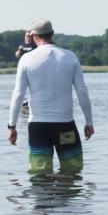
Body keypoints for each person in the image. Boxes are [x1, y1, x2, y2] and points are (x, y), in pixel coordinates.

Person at [7, 19, 94, 174]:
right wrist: (89, 122)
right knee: (72, 172)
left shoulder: (26, 59)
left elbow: (18, 94)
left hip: (39, 128)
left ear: (33, 36)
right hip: (65, 126)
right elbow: (82, 91)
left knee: (39, 175)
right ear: (52, 34)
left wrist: (12, 126)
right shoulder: (69, 57)